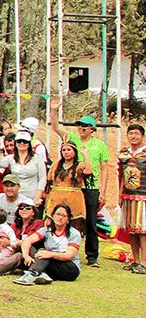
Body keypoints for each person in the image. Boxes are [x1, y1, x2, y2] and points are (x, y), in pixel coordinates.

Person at [50, 98, 110, 267]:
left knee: (90, 222)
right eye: (79, 125)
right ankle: (64, 249)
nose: (81, 128)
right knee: (66, 218)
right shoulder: (72, 139)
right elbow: (56, 127)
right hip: (72, 187)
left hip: (91, 187)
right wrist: (54, 110)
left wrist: (103, 191)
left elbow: (105, 168)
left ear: (92, 129)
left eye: (84, 126)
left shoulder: (99, 145)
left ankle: (92, 256)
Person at [14, 204, 82, 285]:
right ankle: (42, 274)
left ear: (68, 219)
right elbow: (27, 241)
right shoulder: (46, 230)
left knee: (43, 252)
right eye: (58, 214)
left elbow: (69, 256)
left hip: (69, 268)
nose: (60, 217)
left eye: (64, 216)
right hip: (50, 264)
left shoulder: (74, 234)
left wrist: (50, 254)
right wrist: (26, 255)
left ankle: (32, 274)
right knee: (35, 250)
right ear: (53, 216)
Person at [118, 124, 146, 274]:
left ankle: (144, 262)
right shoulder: (123, 153)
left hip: (143, 197)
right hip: (128, 196)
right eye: (131, 133)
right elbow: (121, 176)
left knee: (143, 230)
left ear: (142, 136)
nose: (133, 136)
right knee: (132, 230)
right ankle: (136, 261)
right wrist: (120, 194)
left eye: (137, 134)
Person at [45, 142, 92, 230]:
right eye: (64, 150)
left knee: (73, 226)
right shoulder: (56, 165)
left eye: (69, 150)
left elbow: (88, 171)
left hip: (74, 199)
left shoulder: (79, 165)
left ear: (74, 152)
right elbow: (49, 183)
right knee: (53, 225)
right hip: (56, 198)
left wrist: (86, 155)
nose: (66, 152)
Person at [0, 130, 46, 205]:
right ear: (16, 143)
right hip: (15, 199)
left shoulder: (37, 158)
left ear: (29, 144)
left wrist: (37, 197)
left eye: (25, 141)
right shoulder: (11, 158)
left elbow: (42, 179)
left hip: (33, 198)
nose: (22, 143)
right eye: (19, 141)